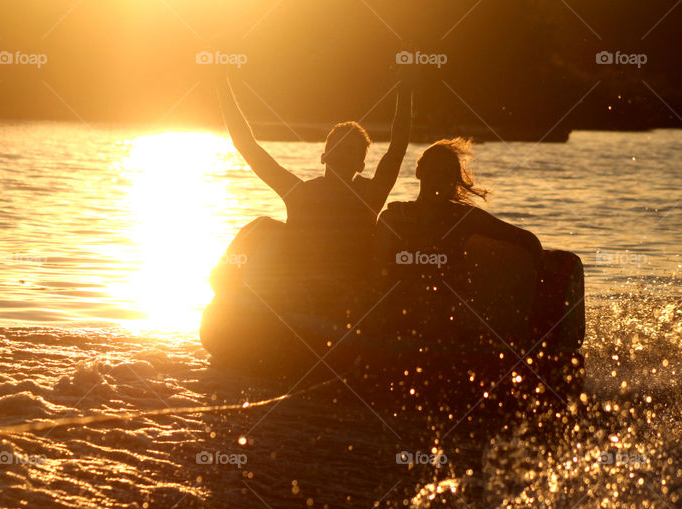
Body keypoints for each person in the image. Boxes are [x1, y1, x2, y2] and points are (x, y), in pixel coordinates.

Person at [216, 72, 414, 316]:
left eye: (350, 150)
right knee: (265, 226)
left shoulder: (371, 194)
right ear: (324, 156)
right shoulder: (300, 194)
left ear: (360, 165)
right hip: (300, 292)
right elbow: (246, 144)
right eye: (336, 147)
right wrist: (222, 83)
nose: (341, 153)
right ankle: (227, 293)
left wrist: (405, 90)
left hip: (349, 296)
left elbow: (398, 147)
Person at [376, 138, 543, 345]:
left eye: (445, 175)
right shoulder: (393, 217)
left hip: (450, 318)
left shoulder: (464, 218)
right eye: (433, 171)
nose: (437, 180)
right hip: (401, 314)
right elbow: (376, 271)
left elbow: (528, 241)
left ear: (453, 181)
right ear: (419, 172)